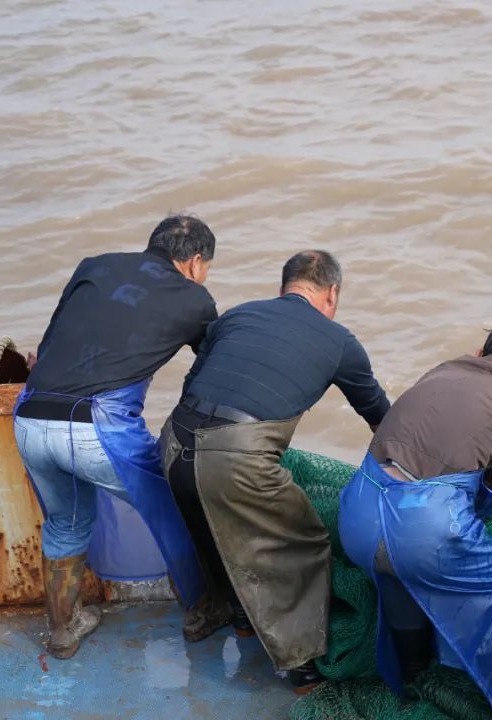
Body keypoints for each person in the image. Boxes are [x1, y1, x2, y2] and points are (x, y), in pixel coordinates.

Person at [159, 249, 390, 692]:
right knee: (301, 540)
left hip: (173, 444)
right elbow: (381, 419)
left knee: (210, 527)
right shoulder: (339, 340)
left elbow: (194, 384)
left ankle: (239, 618)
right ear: (332, 293)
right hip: (233, 456)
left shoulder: (238, 315)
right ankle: (300, 666)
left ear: (284, 285)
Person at [13, 215, 217, 659]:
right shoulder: (195, 299)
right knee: (174, 510)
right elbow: (214, 375)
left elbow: (46, 348)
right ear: (195, 262)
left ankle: (64, 631)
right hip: (98, 428)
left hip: (29, 417)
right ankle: (201, 612)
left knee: (65, 524)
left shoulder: (94, 265)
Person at [338, 326, 492, 720]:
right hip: (427, 530)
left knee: (398, 584)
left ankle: (412, 683)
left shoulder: (443, 369)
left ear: (480, 352)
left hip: (358, 511)